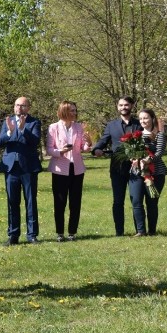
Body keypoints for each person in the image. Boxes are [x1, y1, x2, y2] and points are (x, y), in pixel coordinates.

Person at [0, 96, 42, 245]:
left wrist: (22, 129)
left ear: (28, 108)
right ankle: (13, 235)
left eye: (22, 105)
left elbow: (34, 142)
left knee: (30, 201)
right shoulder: (7, 122)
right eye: (16, 105)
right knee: (12, 201)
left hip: (28, 166)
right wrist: (9, 133)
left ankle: (32, 235)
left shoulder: (34, 122)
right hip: (11, 167)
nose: (19, 108)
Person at [92, 96, 142, 236]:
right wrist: (96, 149)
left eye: (126, 105)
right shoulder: (111, 125)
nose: (123, 107)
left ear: (131, 106)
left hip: (136, 167)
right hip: (117, 168)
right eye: (121, 105)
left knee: (136, 199)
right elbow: (103, 140)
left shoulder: (139, 124)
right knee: (118, 201)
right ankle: (119, 232)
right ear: (117, 107)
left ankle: (140, 230)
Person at [46, 101, 92, 242]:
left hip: (77, 169)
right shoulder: (53, 127)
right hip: (60, 169)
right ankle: (60, 233)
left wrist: (88, 143)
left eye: (75, 110)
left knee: (75, 202)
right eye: (72, 110)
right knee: (59, 202)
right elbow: (49, 149)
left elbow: (83, 148)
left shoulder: (78, 127)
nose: (74, 113)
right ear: (64, 111)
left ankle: (72, 232)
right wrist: (61, 151)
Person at [129, 108, 167, 236]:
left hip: (156, 173)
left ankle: (152, 231)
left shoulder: (159, 134)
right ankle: (140, 231)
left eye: (145, 118)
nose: (143, 121)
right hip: (137, 172)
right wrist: (133, 158)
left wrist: (147, 160)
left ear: (152, 118)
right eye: (140, 119)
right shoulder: (136, 135)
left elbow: (159, 152)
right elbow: (131, 151)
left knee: (151, 202)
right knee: (136, 200)